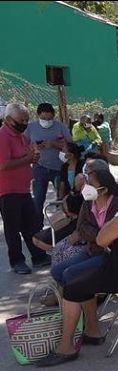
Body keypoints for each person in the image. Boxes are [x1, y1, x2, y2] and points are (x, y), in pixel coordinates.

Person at [35, 168, 118, 367]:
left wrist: (110, 226)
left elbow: (101, 239)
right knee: (82, 279)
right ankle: (92, 331)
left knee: (73, 287)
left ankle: (66, 348)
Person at [50, 168, 118, 286]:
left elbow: (114, 237)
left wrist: (97, 234)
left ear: (104, 189)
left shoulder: (117, 205)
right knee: (57, 271)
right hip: (91, 250)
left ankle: (77, 299)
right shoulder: (88, 203)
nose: (86, 187)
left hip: (109, 255)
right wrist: (100, 235)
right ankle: (74, 298)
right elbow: (81, 227)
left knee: (70, 274)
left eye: (91, 185)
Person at [0, 103, 49, 274]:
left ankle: (39, 256)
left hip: (23, 188)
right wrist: (27, 158)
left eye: (27, 120)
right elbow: (3, 165)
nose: (24, 123)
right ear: (8, 119)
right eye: (21, 120)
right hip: (7, 190)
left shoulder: (20, 135)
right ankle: (17, 261)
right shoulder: (3, 136)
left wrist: (32, 157)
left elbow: (27, 153)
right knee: (13, 228)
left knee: (32, 224)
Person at [31, 143, 87, 253]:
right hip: (68, 203)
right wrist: (61, 201)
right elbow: (62, 185)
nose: (61, 153)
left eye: (64, 150)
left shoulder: (82, 167)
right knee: (41, 237)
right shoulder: (64, 167)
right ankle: (58, 252)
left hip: (77, 205)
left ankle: (60, 252)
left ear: (70, 155)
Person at [25, 103, 72, 224]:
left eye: (49, 119)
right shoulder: (30, 127)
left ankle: (60, 226)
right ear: (38, 115)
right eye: (44, 118)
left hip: (59, 168)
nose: (47, 121)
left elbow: (70, 145)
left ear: (54, 116)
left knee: (62, 200)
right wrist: (34, 147)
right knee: (38, 200)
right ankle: (36, 227)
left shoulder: (61, 127)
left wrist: (53, 144)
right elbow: (23, 146)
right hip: (39, 167)